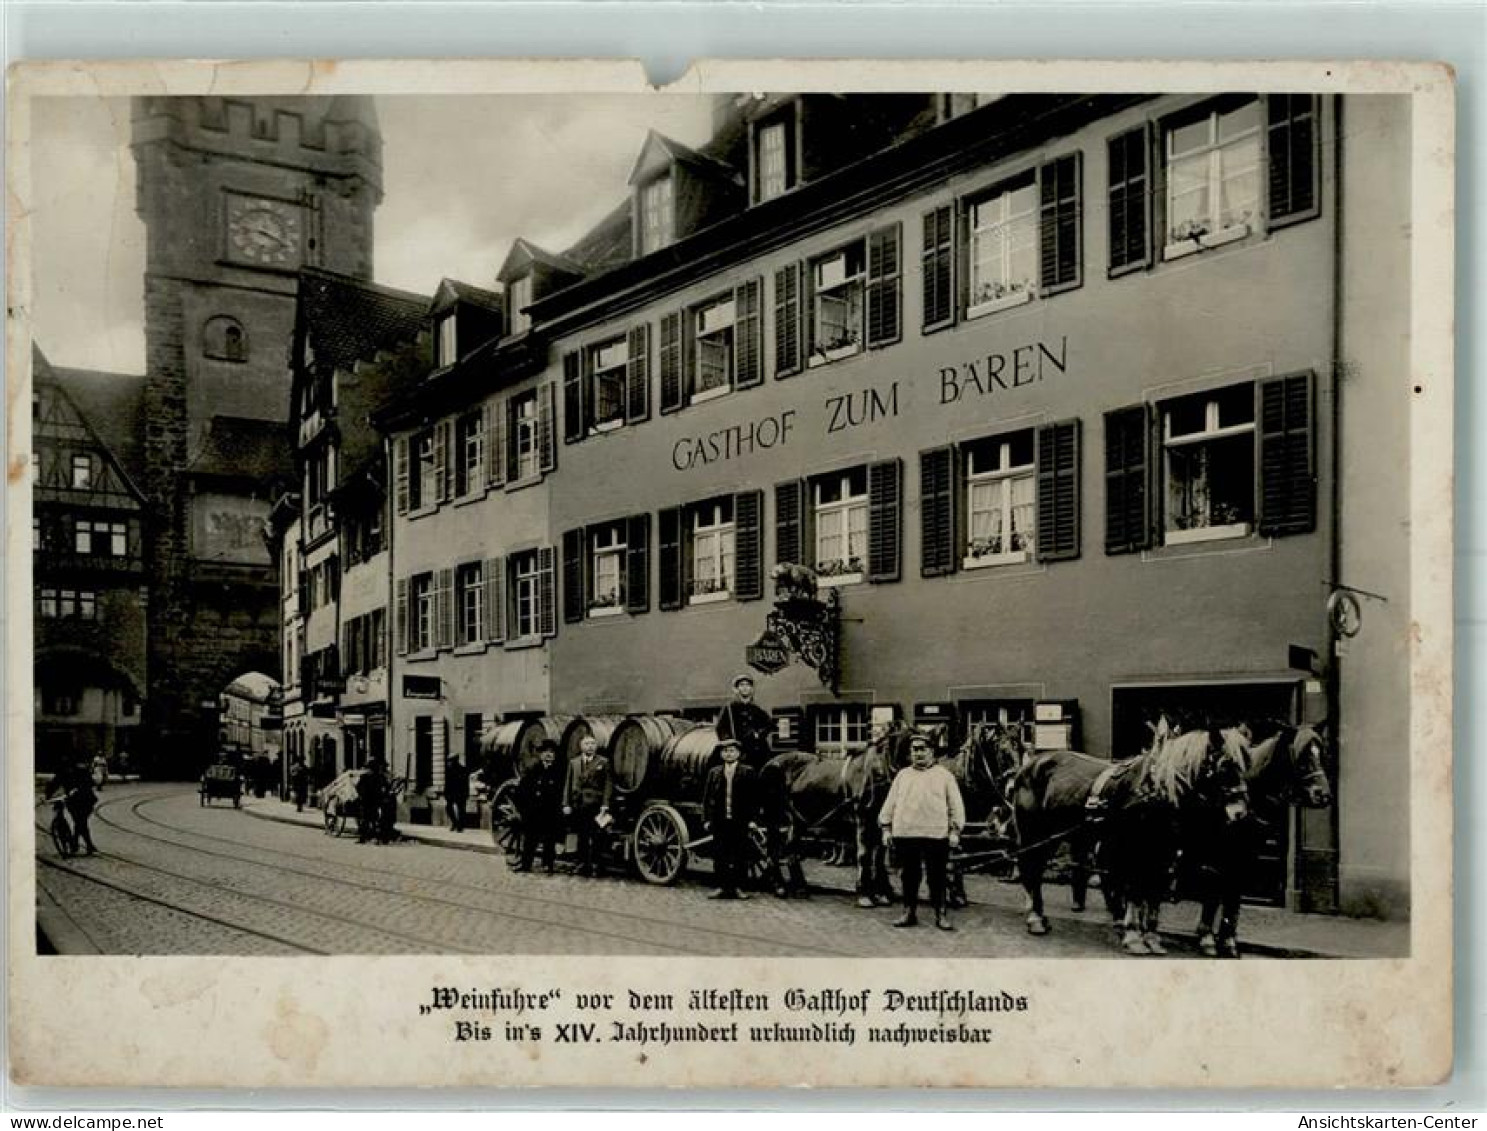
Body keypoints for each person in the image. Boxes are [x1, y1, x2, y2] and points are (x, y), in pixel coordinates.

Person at [878, 731, 965, 930]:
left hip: (936, 835)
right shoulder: (903, 775)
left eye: (922, 749)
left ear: (932, 752)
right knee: (909, 876)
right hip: (906, 835)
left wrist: (955, 831)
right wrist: (886, 828)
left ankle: (940, 914)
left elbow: (956, 807)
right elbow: (889, 804)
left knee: (937, 877)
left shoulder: (945, 776)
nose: (918, 753)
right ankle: (908, 912)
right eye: (914, 750)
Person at [702, 738, 761, 900]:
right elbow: (707, 799)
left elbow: (754, 799)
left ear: (739, 754)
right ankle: (721, 887)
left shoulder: (748, 772)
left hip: (740, 821)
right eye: (725, 751)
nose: (729, 754)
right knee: (720, 854)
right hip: (720, 820)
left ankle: (739, 888)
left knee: (740, 855)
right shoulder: (714, 773)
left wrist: (753, 820)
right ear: (721, 754)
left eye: (732, 751)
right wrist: (707, 819)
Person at [562, 735, 612, 876]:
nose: (590, 746)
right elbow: (568, 783)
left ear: (596, 746)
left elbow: (608, 785)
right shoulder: (574, 762)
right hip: (579, 804)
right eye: (587, 744)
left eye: (592, 743)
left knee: (597, 836)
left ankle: (597, 865)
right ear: (581, 746)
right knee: (582, 835)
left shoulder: (603, 762)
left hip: (596, 805)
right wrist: (566, 803)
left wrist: (605, 804)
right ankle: (583, 864)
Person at [514, 740, 564, 873]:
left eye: (552, 752)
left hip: (551, 812)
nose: (549, 755)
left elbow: (562, 793)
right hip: (534, 812)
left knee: (550, 840)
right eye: (546, 752)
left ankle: (548, 864)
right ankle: (526, 864)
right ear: (541, 754)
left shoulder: (559, 772)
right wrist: (524, 810)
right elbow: (521, 791)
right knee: (530, 839)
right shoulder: (533, 770)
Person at [714, 675, 774, 769]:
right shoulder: (729, 708)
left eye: (747, 685)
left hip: (757, 750)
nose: (745, 688)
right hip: (738, 749)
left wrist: (759, 734)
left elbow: (769, 724)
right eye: (742, 685)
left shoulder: (756, 709)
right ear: (737, 689)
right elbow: (720, 728)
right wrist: (729, 742)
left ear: (751, 689)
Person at [46, 760, 98, 855]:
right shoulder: (62, 773)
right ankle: (86, 844)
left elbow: (90, 783)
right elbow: (54, 784)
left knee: (80, 822)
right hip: (72, 801)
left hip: (86, 800)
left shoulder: (81, 771)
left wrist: (79, 789)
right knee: (80, 822)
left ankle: (77, 843)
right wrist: (47, 796)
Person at [357, 756, 388, 844]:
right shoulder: (380, 777)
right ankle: (376, 837)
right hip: (374, 800)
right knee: (374, 819)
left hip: (368, 801)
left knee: (366, 819)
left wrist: (361, 795)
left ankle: (364, 837)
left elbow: (359, 787)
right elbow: (385, 787)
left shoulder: (365, 777)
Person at [443, 754, 470, 833]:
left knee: (461, 809)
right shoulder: (449, 770)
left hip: (460, 792)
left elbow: (465, 783)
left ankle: (460, 826)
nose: (449, 763)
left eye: (450, 761)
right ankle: (455, 823)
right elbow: (447, 783)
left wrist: (466, 793)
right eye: (449, 761)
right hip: (451, 792)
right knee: (448, 808)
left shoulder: (462, 770)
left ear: (455, 761)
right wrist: (445, 793)